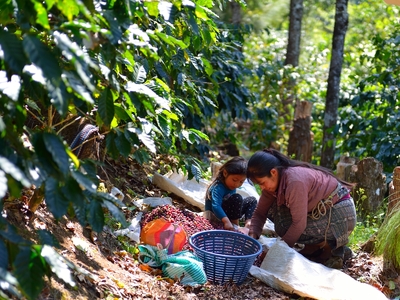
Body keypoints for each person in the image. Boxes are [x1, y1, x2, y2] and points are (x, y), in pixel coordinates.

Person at [246, 148, 357, 269]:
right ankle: (313, 248)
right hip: (324, 212)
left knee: (283, 225)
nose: (262, 188)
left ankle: (330, 248)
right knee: (275, 214)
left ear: (273, 172)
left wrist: (276, 253)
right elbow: (260, 213)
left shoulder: (294, 181)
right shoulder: (274, 184)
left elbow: (299, 224)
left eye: (262, 183)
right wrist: (252, 238)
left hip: (340, 215)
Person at [204, 156, 258, 232]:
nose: (237, 184)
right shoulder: (218, 187)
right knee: (237, 198)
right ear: (225, 173)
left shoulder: (231, 185)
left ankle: (248, 224)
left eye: (241, 182)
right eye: (234, 180)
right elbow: (216, 206)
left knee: (252, 200)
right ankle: (235, 225)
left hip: (229, 211)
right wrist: (226, 221)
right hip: (216, 215)